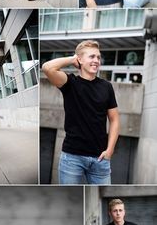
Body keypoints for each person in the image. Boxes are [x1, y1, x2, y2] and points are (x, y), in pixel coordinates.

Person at [42, 40, 120, 185]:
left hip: (100, 159)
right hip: (72, 157)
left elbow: (115, 119)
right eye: (91, 57)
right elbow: (47, 68)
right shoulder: (69, 83)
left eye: (98, 57)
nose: (96, 60)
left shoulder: (106, 87)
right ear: (80, 60)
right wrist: (72, 59)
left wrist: (110, 150)